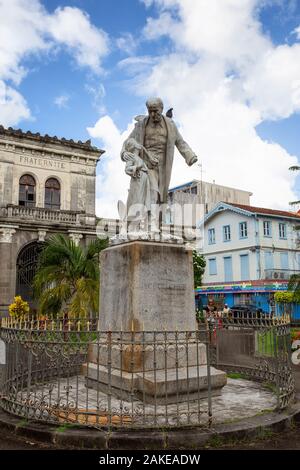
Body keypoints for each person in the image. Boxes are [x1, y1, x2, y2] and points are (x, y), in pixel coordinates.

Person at [121, 97, 198, 231]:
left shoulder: (170, 125)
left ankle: (153, 224)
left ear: (161, 109)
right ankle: (152, 224)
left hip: (163, 165)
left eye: (155, 111)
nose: (152, 115)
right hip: (145, 163)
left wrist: (190, 156)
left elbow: (180, 142)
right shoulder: (141, 124)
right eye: (150, 111)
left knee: (160, 195)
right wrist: (123, 154)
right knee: (153, 192)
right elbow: (128, 142)